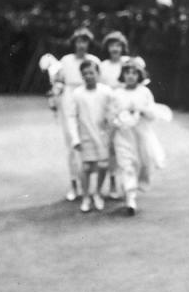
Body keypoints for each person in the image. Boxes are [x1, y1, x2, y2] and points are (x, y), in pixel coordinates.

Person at [110, 57, 170, 215]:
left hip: (141, 134)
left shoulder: (144, 92)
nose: (130, 76)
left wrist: (142, 111)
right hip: (123, 135)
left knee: (143, 163)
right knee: (126, 163)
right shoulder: (117, 93)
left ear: (139, 75)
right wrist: (120, 119)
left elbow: (152, 115)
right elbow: (112, 115)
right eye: (127, 73)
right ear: (123, 75)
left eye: (134, 73)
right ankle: (130, 198)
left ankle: (136, 188)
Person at [51, 28, 101, 201]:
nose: (81, 45)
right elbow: (59, 81)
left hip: (88, 100)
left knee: (91, 141)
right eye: (78, 41)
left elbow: (99, 85)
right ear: (74, 43)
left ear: (89, 43)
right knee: (72, 143)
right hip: (69, 99)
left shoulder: (94, 61)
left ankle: (92, 187)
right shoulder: (66, 60)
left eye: (84, 41)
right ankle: (74, 185)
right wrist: (55, 94)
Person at [68, 60, 113, 213]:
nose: (88, 76)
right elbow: (72, 117)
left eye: (91, 72)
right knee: (86, 167)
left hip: (102, 136)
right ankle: (86, 196)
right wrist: (75, 138)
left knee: (103, 166)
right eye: (85, 73)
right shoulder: (77, 94)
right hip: (85, 135)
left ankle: (97, 192)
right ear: (81, 76)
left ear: (98, 74)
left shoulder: (106, 92)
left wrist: (109, 124)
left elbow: (112, 112)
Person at [99, 30, 130, 199]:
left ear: (122, 47)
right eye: (111, 45)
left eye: (118, 45)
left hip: (125, 109)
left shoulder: (127, 63)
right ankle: (112, 182)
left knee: (126, 147)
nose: (115, 49)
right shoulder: (103, 66)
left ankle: (127, 184)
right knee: (110, 148)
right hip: (110, 109)